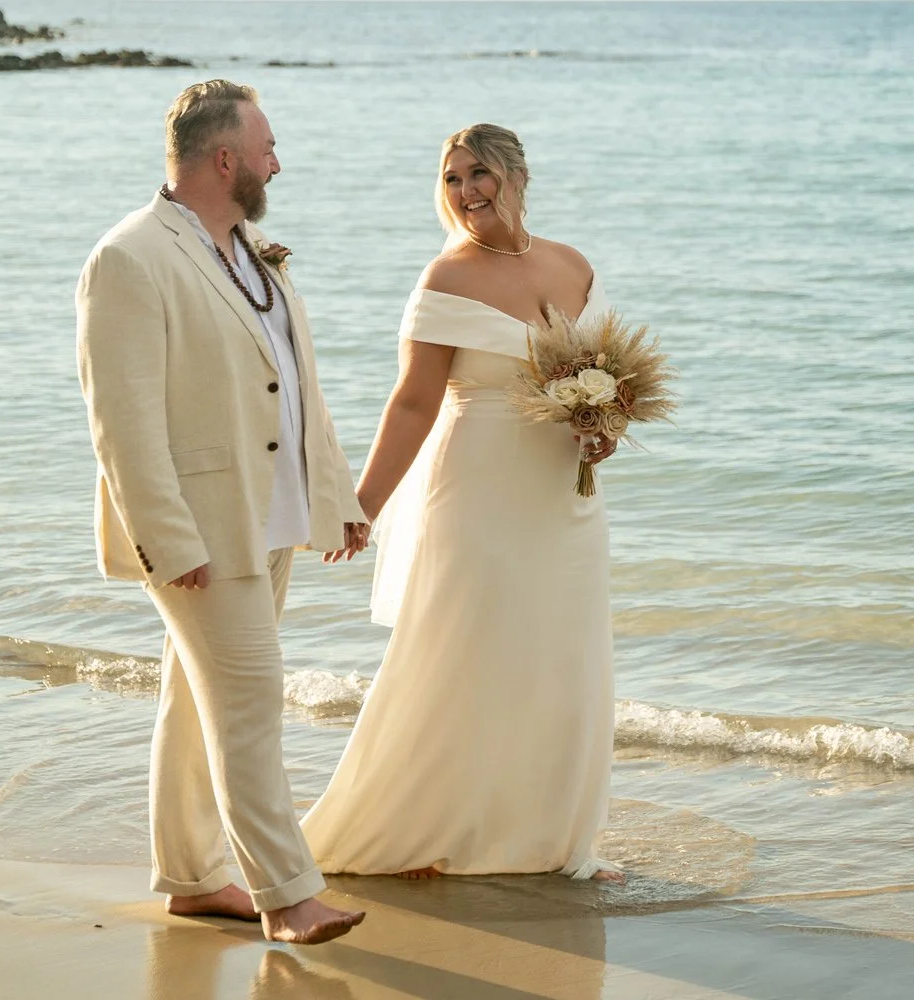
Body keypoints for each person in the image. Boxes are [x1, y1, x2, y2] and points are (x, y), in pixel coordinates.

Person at [75, 80, 370, 943]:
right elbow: (120, 421)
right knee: (250, 699)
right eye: (269, 146)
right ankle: (288, 895)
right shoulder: (129, 257)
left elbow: (299, 385)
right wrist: (168, 541)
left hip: (267, 515)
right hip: (200, 529)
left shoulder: (252, 250)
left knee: (194, 700)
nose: (280, 161)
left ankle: (193, 878)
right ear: (225, 157)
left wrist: (337, 496)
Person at [301, 124, 625, 883]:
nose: (466, 191)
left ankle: (550, 843)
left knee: (560, 662)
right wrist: (363, 506)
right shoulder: (447, 277)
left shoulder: (574, 264)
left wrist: (602, 428)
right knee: (460, 658)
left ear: (517, 174)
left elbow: (609, 377)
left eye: (479, 173)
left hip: (563, 502)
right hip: (475, 494)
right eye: (452, 179)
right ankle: (420, 829)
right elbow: (413, 404)